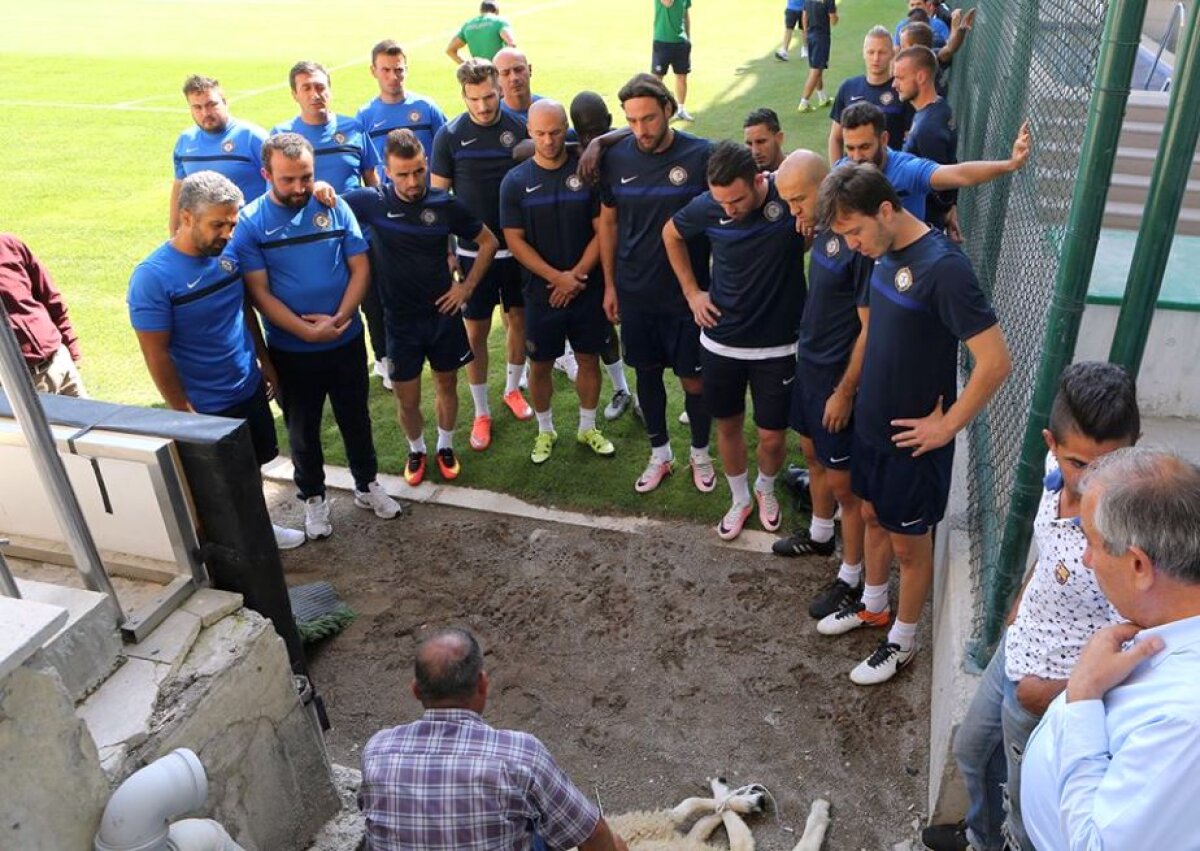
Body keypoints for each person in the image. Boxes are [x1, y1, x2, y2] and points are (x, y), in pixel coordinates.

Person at [922, 362, 1139, 851]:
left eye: (1110, 463)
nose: (1092, 483)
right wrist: (1020, 603)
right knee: (971, 752)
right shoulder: (1051, 477)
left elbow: (1141, 642)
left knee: (1026, 808)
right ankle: (981, 839)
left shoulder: (1132, 537)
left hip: (1047, 690)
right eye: (1080, 464)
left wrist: (1055, 691)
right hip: (1017, 650)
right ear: (1051, 443)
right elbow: (1050, 553)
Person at [815, 163, 1011, 685]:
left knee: (909, 543)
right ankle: (874, 606)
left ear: (886, 209)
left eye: (855, 231)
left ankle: (902, 641)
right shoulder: (883, 253)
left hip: (913, 441)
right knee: (874, 516)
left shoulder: (944, 268)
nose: (853, 244)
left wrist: (946, 428)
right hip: (873, 425)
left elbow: (995, 363)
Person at [1020, 448, 1200, 851]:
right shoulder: (1164, 621)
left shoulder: (1187, 721)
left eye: (1094, 544)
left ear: (1138, 566)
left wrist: (1081, 695)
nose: (1085, 559)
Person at [232, 133, 400, 540]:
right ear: (266, 174)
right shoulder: (252, 223)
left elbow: (360, 267)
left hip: (345, 340)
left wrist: (339, 318)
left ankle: (366, 485)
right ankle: (313, 499)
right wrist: (306, 330)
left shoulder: (334, 205)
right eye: (287, 179)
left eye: (305, 177)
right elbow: (258, 292)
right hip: (292, 350)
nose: (298, 188)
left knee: (355, 418)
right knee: (302, 430)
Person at [128, 171, 306, 550]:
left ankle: (260, 530)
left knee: (252, 465)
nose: (227, 233)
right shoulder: (153, 278)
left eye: (231, 223)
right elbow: (154, 352)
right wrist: (183, 411)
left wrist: (264, 361)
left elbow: (243, 309)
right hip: (204, 404)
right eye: (217, 224)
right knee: (211, 484)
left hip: (245, 384)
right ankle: (222, 552)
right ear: (186, 217)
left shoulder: (227, 256)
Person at [359, 628, 628, 850]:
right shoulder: (519, 755)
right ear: (483, 684)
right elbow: (593, 835)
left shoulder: (378, 751)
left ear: (416, 691)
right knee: (595, 838)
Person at [664, 141, 806, 540]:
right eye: (721, 201)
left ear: (760, 179)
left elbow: (819, 187)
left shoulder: (787, 195)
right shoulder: (708, 205)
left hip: (779, 345)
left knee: (772, 435)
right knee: (727, 426)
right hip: (721, 343)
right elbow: (671, 234)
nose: (728, 209)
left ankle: (765, 487)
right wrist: (693, 292)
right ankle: (741, 498)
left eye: (737, 200)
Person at [344, 130, 497, 486]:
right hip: (399, 321)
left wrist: (466, 287)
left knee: (447, 384)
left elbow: (488, 241)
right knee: (407, 397)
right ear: (386, 171)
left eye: (417, 171)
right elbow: (327, 205)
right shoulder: (371, 201)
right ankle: (417, 449)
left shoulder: (444, 204)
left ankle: (444, 446)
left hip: (443, 317)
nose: (412, 182)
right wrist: (322, 191)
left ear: (425, 164)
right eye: (402, 174)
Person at [596, 73, 715, 495]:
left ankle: (700, 454)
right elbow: (609, 223)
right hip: (635, 290)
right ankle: (660, 454)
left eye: (649, 118)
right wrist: (610, 285)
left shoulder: (702, 155)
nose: (641, 130)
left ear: (668, 109)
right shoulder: (615, 158)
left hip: (689, 295)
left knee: (694, 381)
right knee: (646, 374)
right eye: (631, 121)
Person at [771, 152, 870, 628]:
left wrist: (846, 391)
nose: (793, 212)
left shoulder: (857, 241)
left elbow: (869, 328)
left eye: (797, 201)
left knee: (845, 485)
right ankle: (819, 532)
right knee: (811, 456)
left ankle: (851, 577)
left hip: (835, 378)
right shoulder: (823, 230)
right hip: (808, 368)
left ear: (826, 186)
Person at [500, 101, 617, 465]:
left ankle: (587, 426)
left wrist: (576, 275)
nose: (549, 141)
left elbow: (602, 230)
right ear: (529, 133)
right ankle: (545, 430)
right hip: (541, 291)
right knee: (540, 364)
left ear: (564, 127)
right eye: (540, 134)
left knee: (587, 358)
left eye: (555, 132)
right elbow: (514, 239)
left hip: (585, 287)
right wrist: (557, 278)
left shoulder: (586, 172)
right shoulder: (516, 181)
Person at [431, 59, 533, 452]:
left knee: (518, 320)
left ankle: (511, 389)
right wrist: (447, 251)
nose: (484, 106)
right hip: (474, 253)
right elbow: (437, 201)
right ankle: (481, 410)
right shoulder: (449, 135)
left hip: (517, 248)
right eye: (475, 99)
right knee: (474, 330)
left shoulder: (518, 127)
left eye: (490, 96)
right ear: (464, 96)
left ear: (499, 90)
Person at [356, 40, 449, 388]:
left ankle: (440, 348)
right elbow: (368, 172)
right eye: (386, 70)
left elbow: (442, 161)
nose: (394, 76)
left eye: (399, 69)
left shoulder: (426, 109)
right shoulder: (365, 117)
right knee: (382, 293)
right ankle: (385, 358)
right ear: (374, 72)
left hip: (427, 216)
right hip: (389, 220)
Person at [837, 101, 1031, 225]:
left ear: (884, 139)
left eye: (864, 147)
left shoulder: (906, 170)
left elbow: (959, 174)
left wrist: (1010, 164)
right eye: (850, 148)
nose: (856, 157)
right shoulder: (843, 170)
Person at [569, 92, 637, 421]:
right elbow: (521, 150)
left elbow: (635, 130)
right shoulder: (571, 147)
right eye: (582, 132)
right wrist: (578, 147)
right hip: (588, 251)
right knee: (602, 326)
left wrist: (599, 144)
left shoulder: (619, 145)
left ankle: (643, 392)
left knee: (635, 326)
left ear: (609, 123)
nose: (588, 138)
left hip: (624, 250)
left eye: (595, 130)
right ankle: (622, 388)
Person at [169, 75, 269, 235]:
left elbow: (278, 185)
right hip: (205, 239)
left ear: (225, 102)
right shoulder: (185, 141)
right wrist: (174, 233)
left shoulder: (253, 138)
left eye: (211, 105)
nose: (205, 113)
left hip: (249, 234)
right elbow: (179, 191)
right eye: (197, 107)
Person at [1, 234, 85, 397]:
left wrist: (71, 349)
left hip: (60, 361)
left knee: (91, 419)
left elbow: (50, 299)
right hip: (19, 385)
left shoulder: (8, 245)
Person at [273, 61, 376, 194]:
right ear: (295, 95)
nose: (315, 95)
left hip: (353, 213)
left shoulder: (354, 128)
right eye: (306, 88)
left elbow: (371, 177)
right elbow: (276, 189)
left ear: (330, 90)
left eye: (320, 87)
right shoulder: (281, 135)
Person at [892, 46, 958, 235]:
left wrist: (945, 212)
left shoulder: (927, 129)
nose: (894, 84)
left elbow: (941, 182)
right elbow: (951, 163)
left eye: (900, 78)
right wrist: (952, 206)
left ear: (921, 77)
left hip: (922, 227)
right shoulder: (940, 107)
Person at [827, 28, 912, 166]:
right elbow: (836, 138)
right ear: (863, 53)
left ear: (892, 53)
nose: (876, 58)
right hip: (855, 175)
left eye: (882, 52)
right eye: (871, 52)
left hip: (890, 174)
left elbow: (910, 140)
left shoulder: (901, 90)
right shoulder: (848, 88)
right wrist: (837, 173)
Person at [651, 0, 695, 123]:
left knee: (682, 77)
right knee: (656, 79)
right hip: (662, 40)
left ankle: (680, 109)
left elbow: (685, 15)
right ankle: (655, 109)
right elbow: (667, 2)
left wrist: (688, 38)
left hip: (681, 42)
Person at [797, 0, 837, 113]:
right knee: (816, 70)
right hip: (822, 38)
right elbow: (833, 20)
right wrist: (835, 14)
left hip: (811, 35)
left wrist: (806, 33)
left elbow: (804, 15)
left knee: (817, 67)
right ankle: (804, 102)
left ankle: (822, 98)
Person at [446, 0, 516, 64]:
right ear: (497, 10)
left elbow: (450, 50)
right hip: (497, 70)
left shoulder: (468, 24)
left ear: (481, 10)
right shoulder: (500, 21)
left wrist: (468, 65)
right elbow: (511, 44)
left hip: (480, 72)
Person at [494, 47, 541, 120]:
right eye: (505, 73)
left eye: (519, 70)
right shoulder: (493, 117)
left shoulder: (550, 111)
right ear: (496, 79)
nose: (514, 78)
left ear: (530, 70)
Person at [743, 107, 786, 172]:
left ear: (779, 138)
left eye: (761, 142)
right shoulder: (744, 175)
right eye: (749, 144)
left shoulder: (799, 171)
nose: (755, 152)